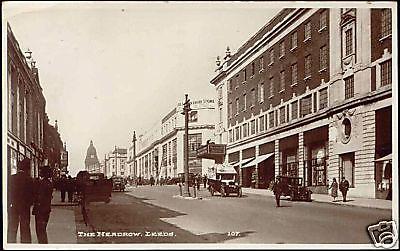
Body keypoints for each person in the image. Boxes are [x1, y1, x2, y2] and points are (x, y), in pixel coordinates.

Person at [7, 158, 35, 243]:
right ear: (27, 169)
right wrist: (29, 203)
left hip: (13, 205)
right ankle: (25, 244)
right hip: (25, 207)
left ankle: (11, 243)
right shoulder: (29, 179)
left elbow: (8, 192)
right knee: (25, 227)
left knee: (12, 227)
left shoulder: (12, 178)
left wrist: (9, 203)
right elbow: (32, 195)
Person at [32, 166, 53, 244]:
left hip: (40, 210)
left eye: (41, 171)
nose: (39, 172)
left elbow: (39, 197)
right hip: (46, 209)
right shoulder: (49, 183)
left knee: (40, 231)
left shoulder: (42, 184)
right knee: (43, 230)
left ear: (44, 173)